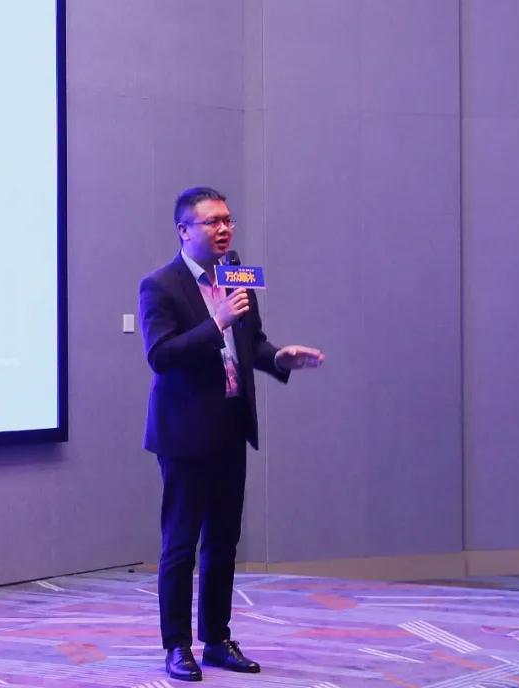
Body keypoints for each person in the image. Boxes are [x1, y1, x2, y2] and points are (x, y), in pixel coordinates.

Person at [138, 186, 324, 682]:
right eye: (212, 222)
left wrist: (278, 358)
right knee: (181, 544)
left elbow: (250, 342)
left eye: (228, 220)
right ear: (184, 231)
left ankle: (217, 640)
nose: (224, 229)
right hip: (184, 434)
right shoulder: (160, 286)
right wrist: (215, 322)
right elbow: (161, 355)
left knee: (223, 541)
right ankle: (177, 646)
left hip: (230, 426)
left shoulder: (235, 277)